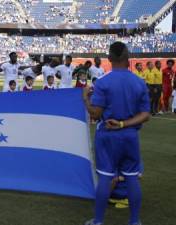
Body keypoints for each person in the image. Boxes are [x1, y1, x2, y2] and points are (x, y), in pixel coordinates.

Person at [83, 42, 150, 225]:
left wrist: (85, 100)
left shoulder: (103, 82)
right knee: (132, 178)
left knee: (105, 177)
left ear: (109, 59)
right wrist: (124, 124)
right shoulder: (139, 82)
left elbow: (96, 114)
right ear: (128, 58)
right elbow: (145, 115)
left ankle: (98, 221)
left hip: (108, 136)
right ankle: (135, 222)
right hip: (130, 136)